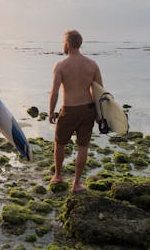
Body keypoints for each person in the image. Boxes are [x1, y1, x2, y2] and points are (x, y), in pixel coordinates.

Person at [49, 30, 102, 192]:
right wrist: (99, 115)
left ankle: (58, 176)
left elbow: (55, 91)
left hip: (69, 110)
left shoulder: (61, 66)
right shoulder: (92, 65)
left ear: (67, 44)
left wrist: (51, 111)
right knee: (83, 147)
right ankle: (77, 184)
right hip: (88, 110)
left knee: (59, 143)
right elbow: (100, 93)